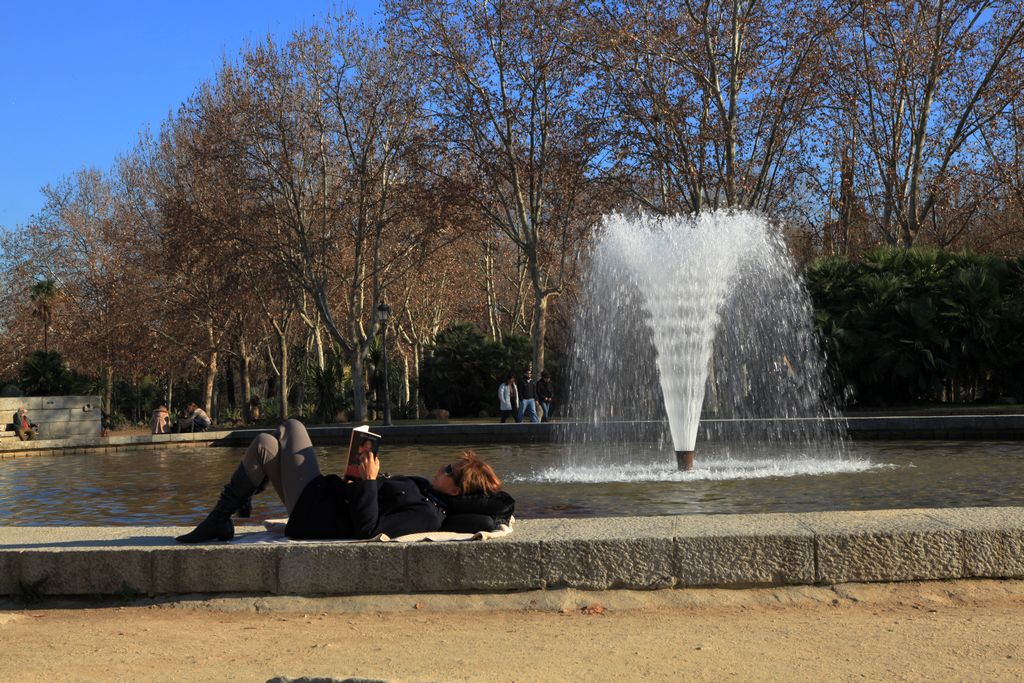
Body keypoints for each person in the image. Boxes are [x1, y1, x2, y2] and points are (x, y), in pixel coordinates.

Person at [176, 419, 515, 543]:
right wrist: (360, 476)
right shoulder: (425, 489)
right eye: (447, 464)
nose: (441, 469)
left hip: (314, 512)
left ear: (456, 490)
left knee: (291, 428)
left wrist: (368, 482)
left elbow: (368, 530)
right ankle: (220, 520)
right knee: (265, 445)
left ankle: (235, 504)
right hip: (323, 495)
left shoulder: (428, 514)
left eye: (449, 471)